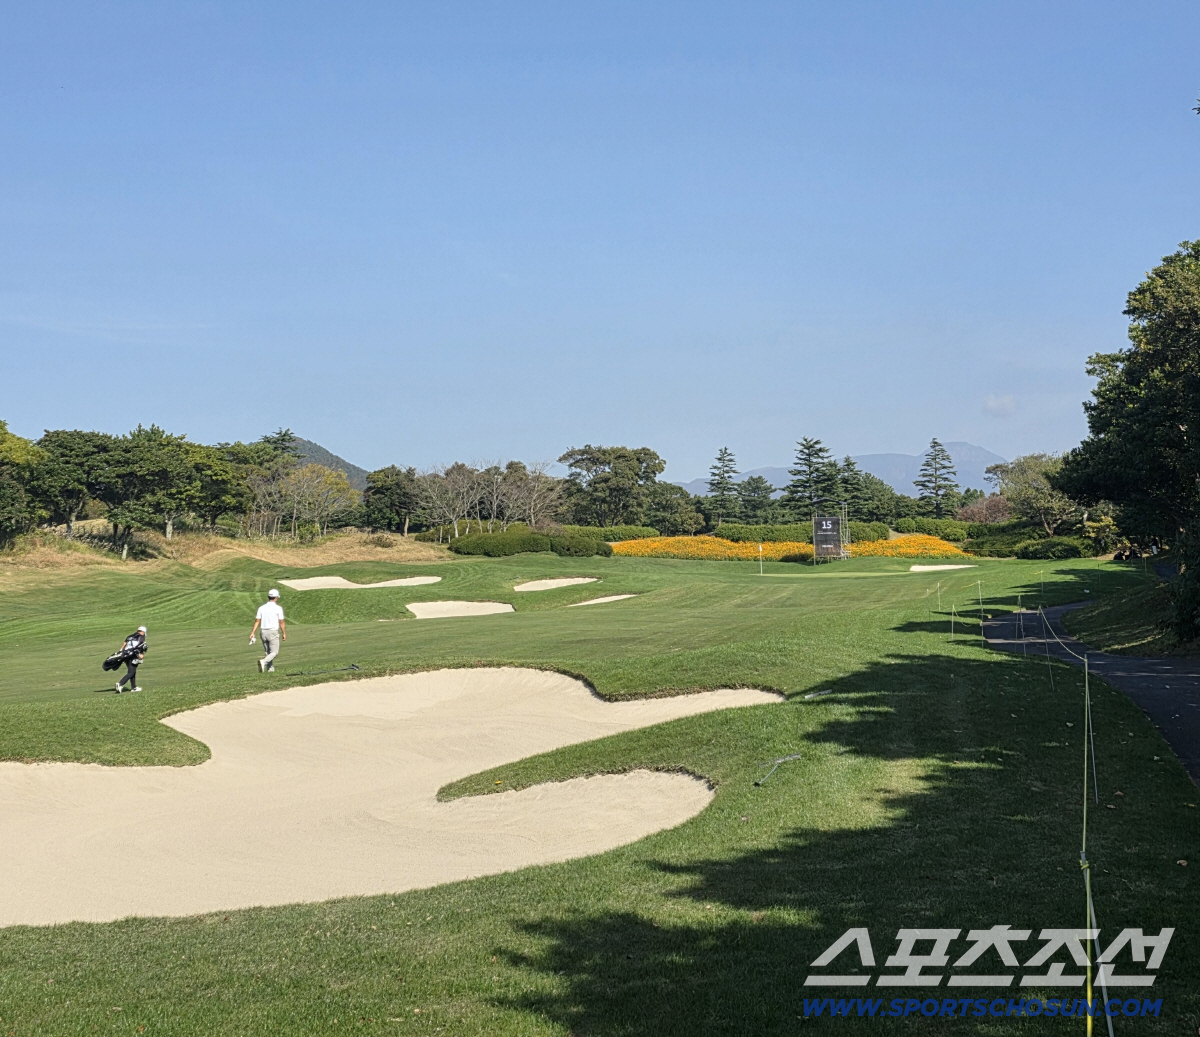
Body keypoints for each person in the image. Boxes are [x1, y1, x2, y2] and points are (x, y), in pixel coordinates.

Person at [249, 588, 286, 672]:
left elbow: (257, 621)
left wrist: (253, 632)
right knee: (274, 652)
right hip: (272, 632)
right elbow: (281, 622)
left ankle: (270, 669)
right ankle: (263, 662)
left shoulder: (261, 608)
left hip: (263, 632)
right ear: (276, 598)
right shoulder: (278, 608)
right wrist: (284, 633)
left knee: (267, 652)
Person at [114, 625, 147, 694]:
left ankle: (133, 687)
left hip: (125, 655)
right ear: (143, 632)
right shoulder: (141, 637)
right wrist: (141, 654)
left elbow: (124, 644)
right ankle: (120, 684)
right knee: (131, 672)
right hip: (133, 656)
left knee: (132, 671)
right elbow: (139, 646)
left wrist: (121, 652)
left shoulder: (130, 636)